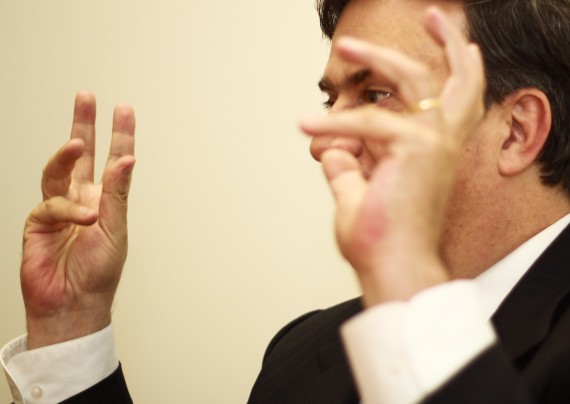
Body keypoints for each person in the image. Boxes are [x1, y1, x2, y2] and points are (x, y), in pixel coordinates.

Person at [3, 0, 570, 403]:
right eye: (332, 99)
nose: (322, 142)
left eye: (377, 94)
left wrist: (406, 278)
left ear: (517, 132)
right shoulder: (302, 352)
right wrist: (72, 325)